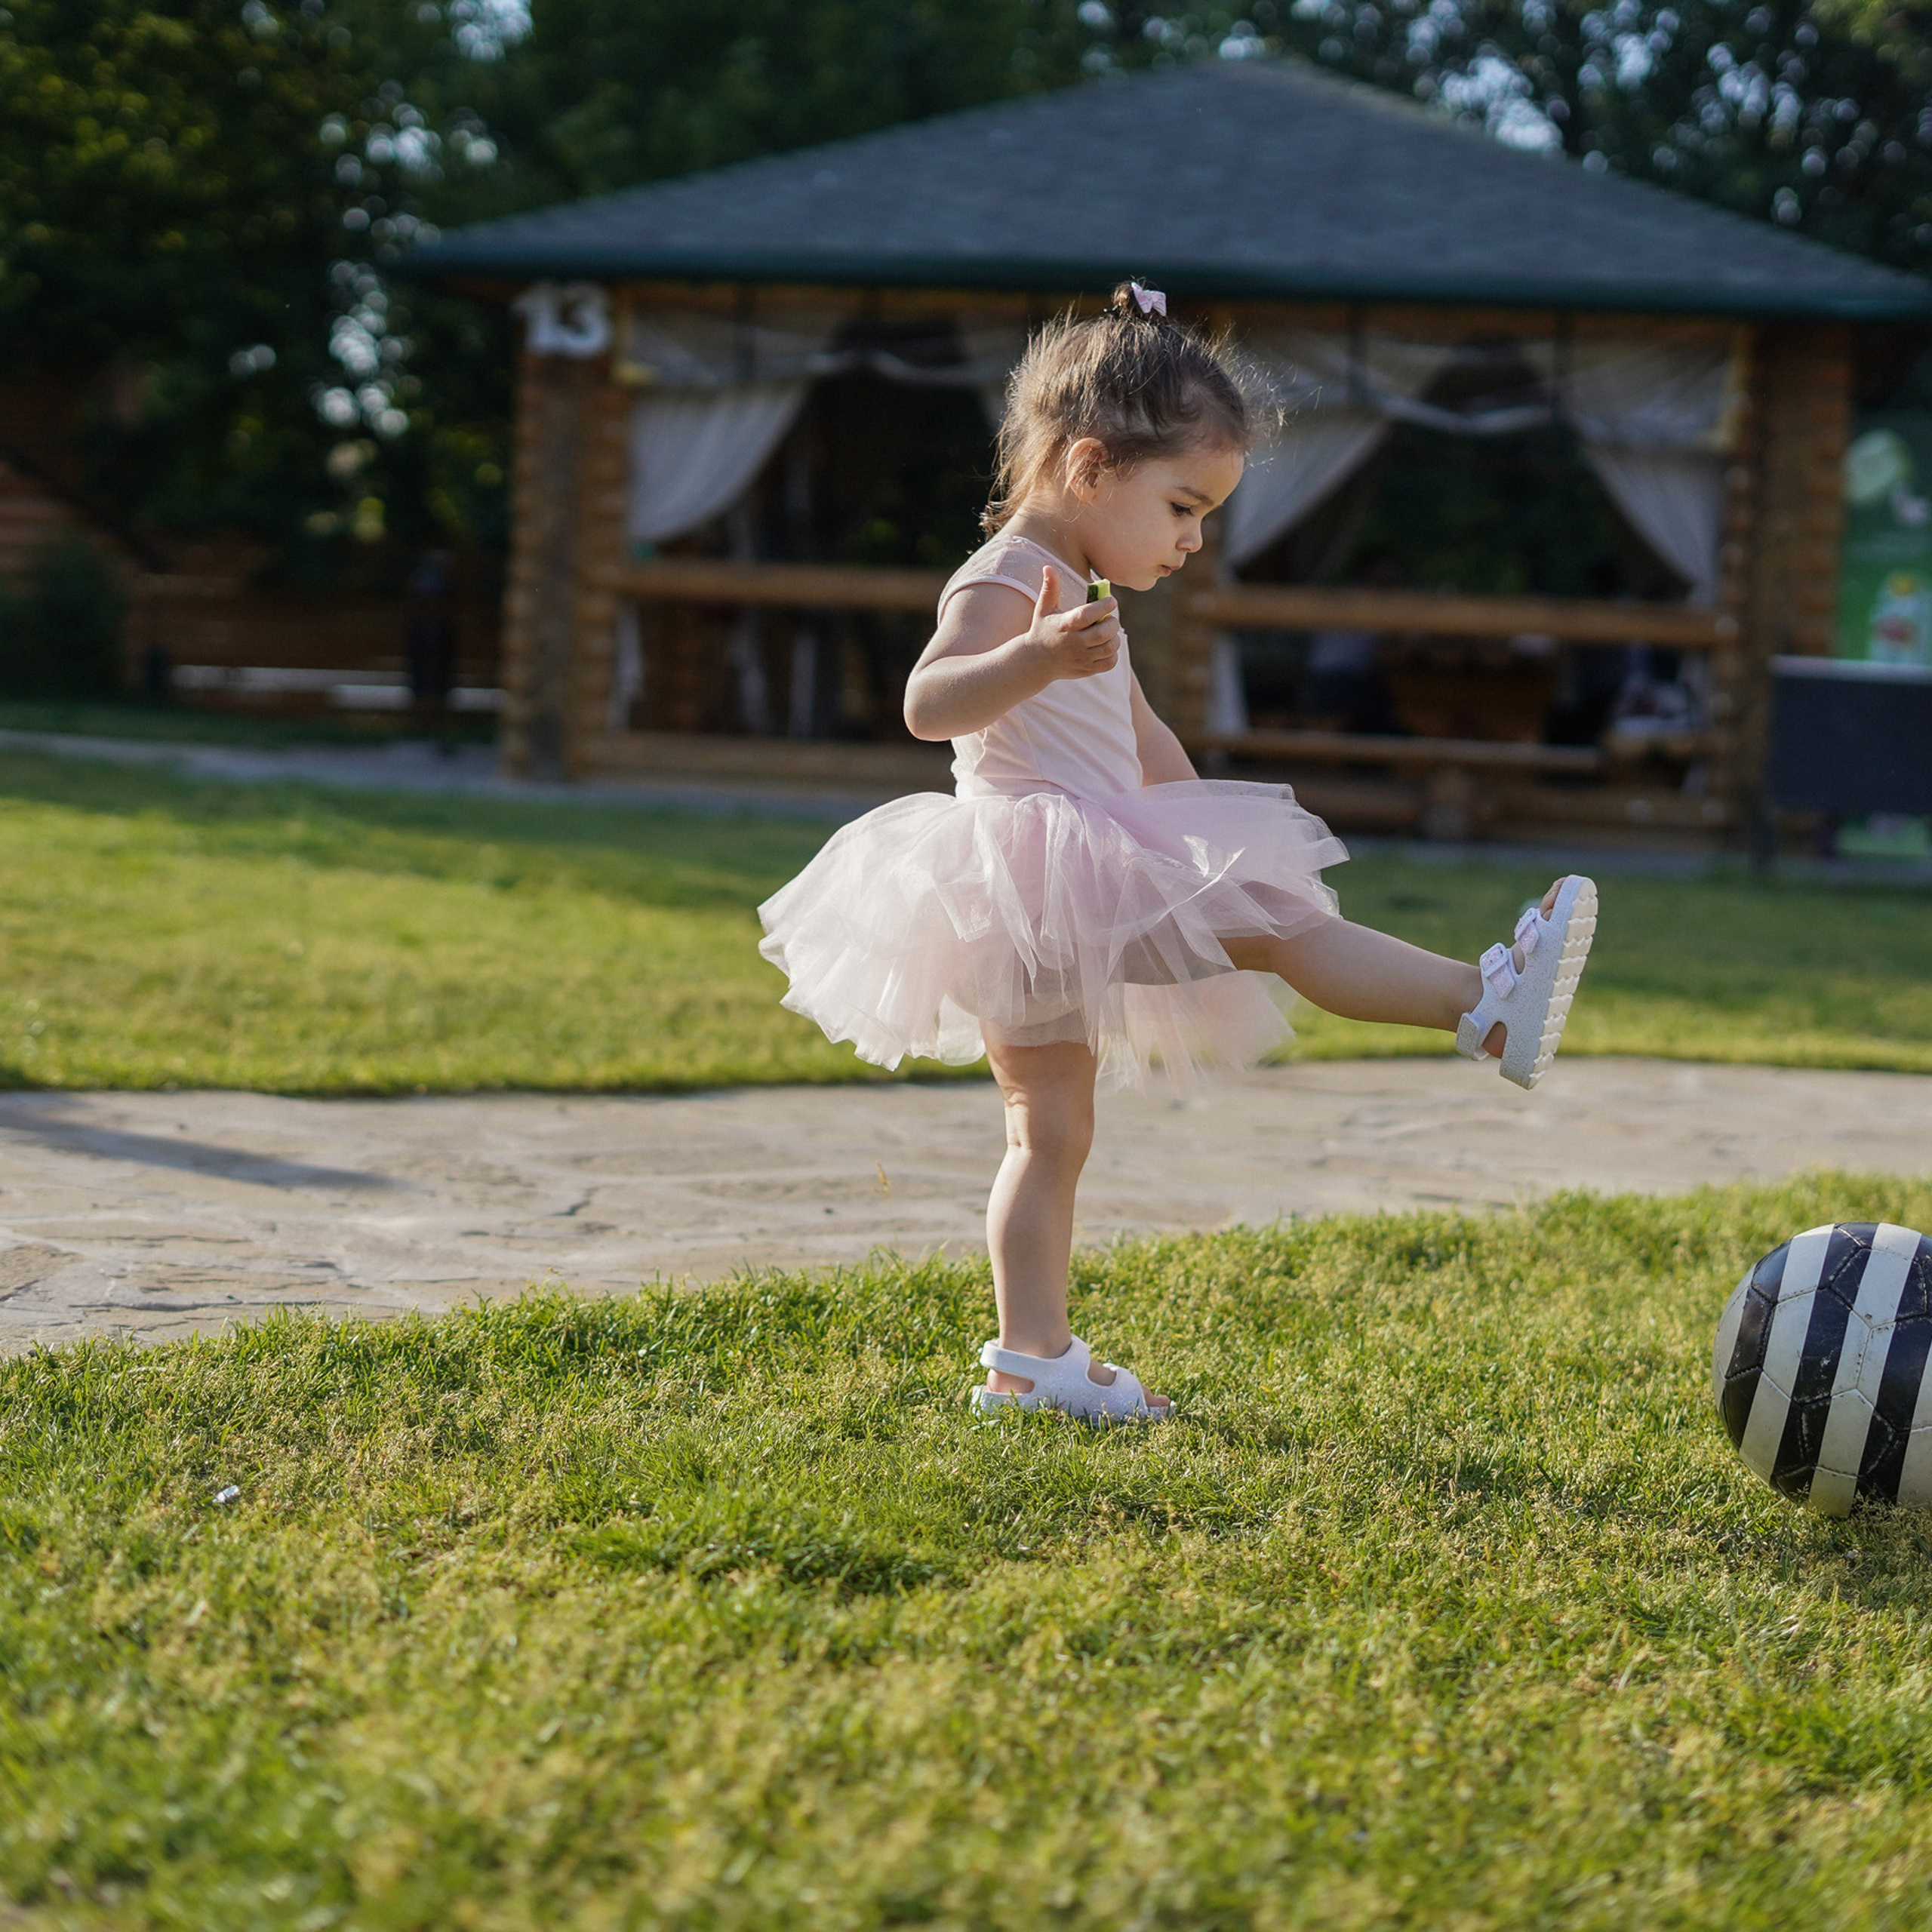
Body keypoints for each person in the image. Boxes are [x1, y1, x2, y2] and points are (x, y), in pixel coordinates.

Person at [758, 284, 1597, 1423]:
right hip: (1037, 864)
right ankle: (1482, 1003)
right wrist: (1037, 656)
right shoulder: (1012, 577)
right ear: (1092, 467)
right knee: (1283, 934)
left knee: (1050, 1129)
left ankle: (1030, 1361)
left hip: (1059, 877)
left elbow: (1138, 732)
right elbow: (928, 704)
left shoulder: (1088, 587)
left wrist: (1202, 826)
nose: (1194, 541)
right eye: (1183, 507)